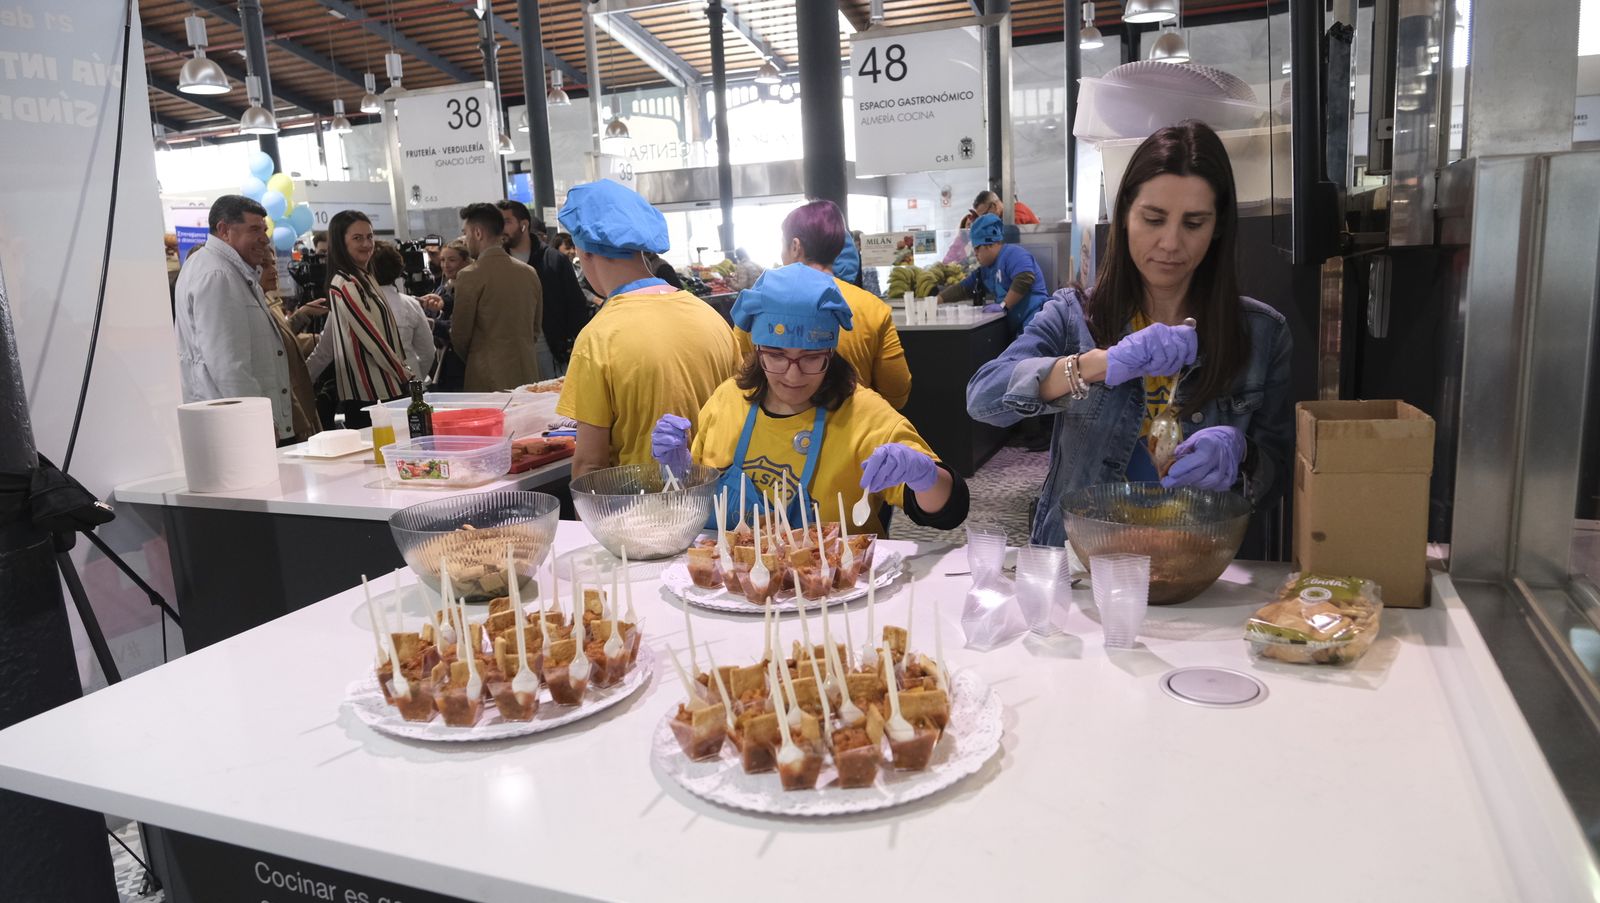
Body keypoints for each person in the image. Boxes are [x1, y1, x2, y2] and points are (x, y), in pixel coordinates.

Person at [966, 122, 1293, 548]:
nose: (1170, 242)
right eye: (1153, 219)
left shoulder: (1262, 333)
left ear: (1217, 227)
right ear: (1124, 216)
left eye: (1194, 223)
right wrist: (1095, 365)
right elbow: (983, 398)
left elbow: (1279, 478)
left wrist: (1243, 454)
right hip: (1085, 560)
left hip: (1198, 559)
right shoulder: (1074, 315)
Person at [650, 264, 968, 536]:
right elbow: (693, 500)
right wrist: (680, 471)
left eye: (811, 357)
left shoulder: (865, 416)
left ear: (830, 352)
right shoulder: (729, 399)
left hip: (836, 585)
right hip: (729, 581)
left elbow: (949, 511)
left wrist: (924, 477)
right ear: (757, 350)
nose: (793, 375)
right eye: (776, 355)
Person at [555, 179, 739, 477]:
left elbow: (590, 463)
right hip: (718, 499)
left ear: (585, 252)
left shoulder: (599, 337)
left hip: (640, 502)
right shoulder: (711, 318)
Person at [733, 200, 912, 410]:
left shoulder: (759, 300)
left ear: (795, 246)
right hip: (853, 425)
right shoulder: (873, 308)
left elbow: (741, 378)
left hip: (769, 425)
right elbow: (897, 392)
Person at [173, 194, 299, 444]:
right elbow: (228, 364)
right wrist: (257, 421)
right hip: (237, 428)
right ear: (224, 230)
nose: (264, 239)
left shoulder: (221, 268)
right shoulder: (218, 274)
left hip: (233, 422)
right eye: (254, 230)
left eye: (264, 230)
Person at [304, 210, 411, 427]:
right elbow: (372, 338)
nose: (367, 244)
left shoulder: (363, 277)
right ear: (341, 243)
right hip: (372, 394)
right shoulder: (346, 283)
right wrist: (405, 375)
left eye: (370, 237)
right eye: (357, 238)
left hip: (384, 389)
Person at [453, 202, 544, 391]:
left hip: (486, 378)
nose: (465, 240)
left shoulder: (470, 276)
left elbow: (460, 336)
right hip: (527, 373)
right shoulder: (529, 273)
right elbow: (535, 328)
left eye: (466, 233)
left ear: (478, 233)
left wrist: (477, 357)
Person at [497, 200, 589, 375]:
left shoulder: (553, 260)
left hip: (549, 349)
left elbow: (576, 306)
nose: (501, 228)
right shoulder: (497, 262)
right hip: (510, 352)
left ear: (524, 225)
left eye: (507, 222)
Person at [940, 213, 1049, 332]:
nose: (975, 254)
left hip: (1035, 322)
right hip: (1017, 328)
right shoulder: (986, 270)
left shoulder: (1014, 254)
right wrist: (936, 300)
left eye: (977, 248)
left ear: (989, 244)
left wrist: (1004, 305)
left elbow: (1025, 278)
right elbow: (963, 288)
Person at [259, 262, 321, 440]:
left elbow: (284, 336)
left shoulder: (268, 301)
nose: (273, 270)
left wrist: (303, 314)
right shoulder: (258, 307)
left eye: (273, 263)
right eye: (264, 266)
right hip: (289, 404)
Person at [369, 241, 442, 381]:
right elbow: (428, 352)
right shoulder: (411, 304)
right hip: (411, 381)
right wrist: (416, 376)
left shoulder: (352, 304)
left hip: (371, 384)